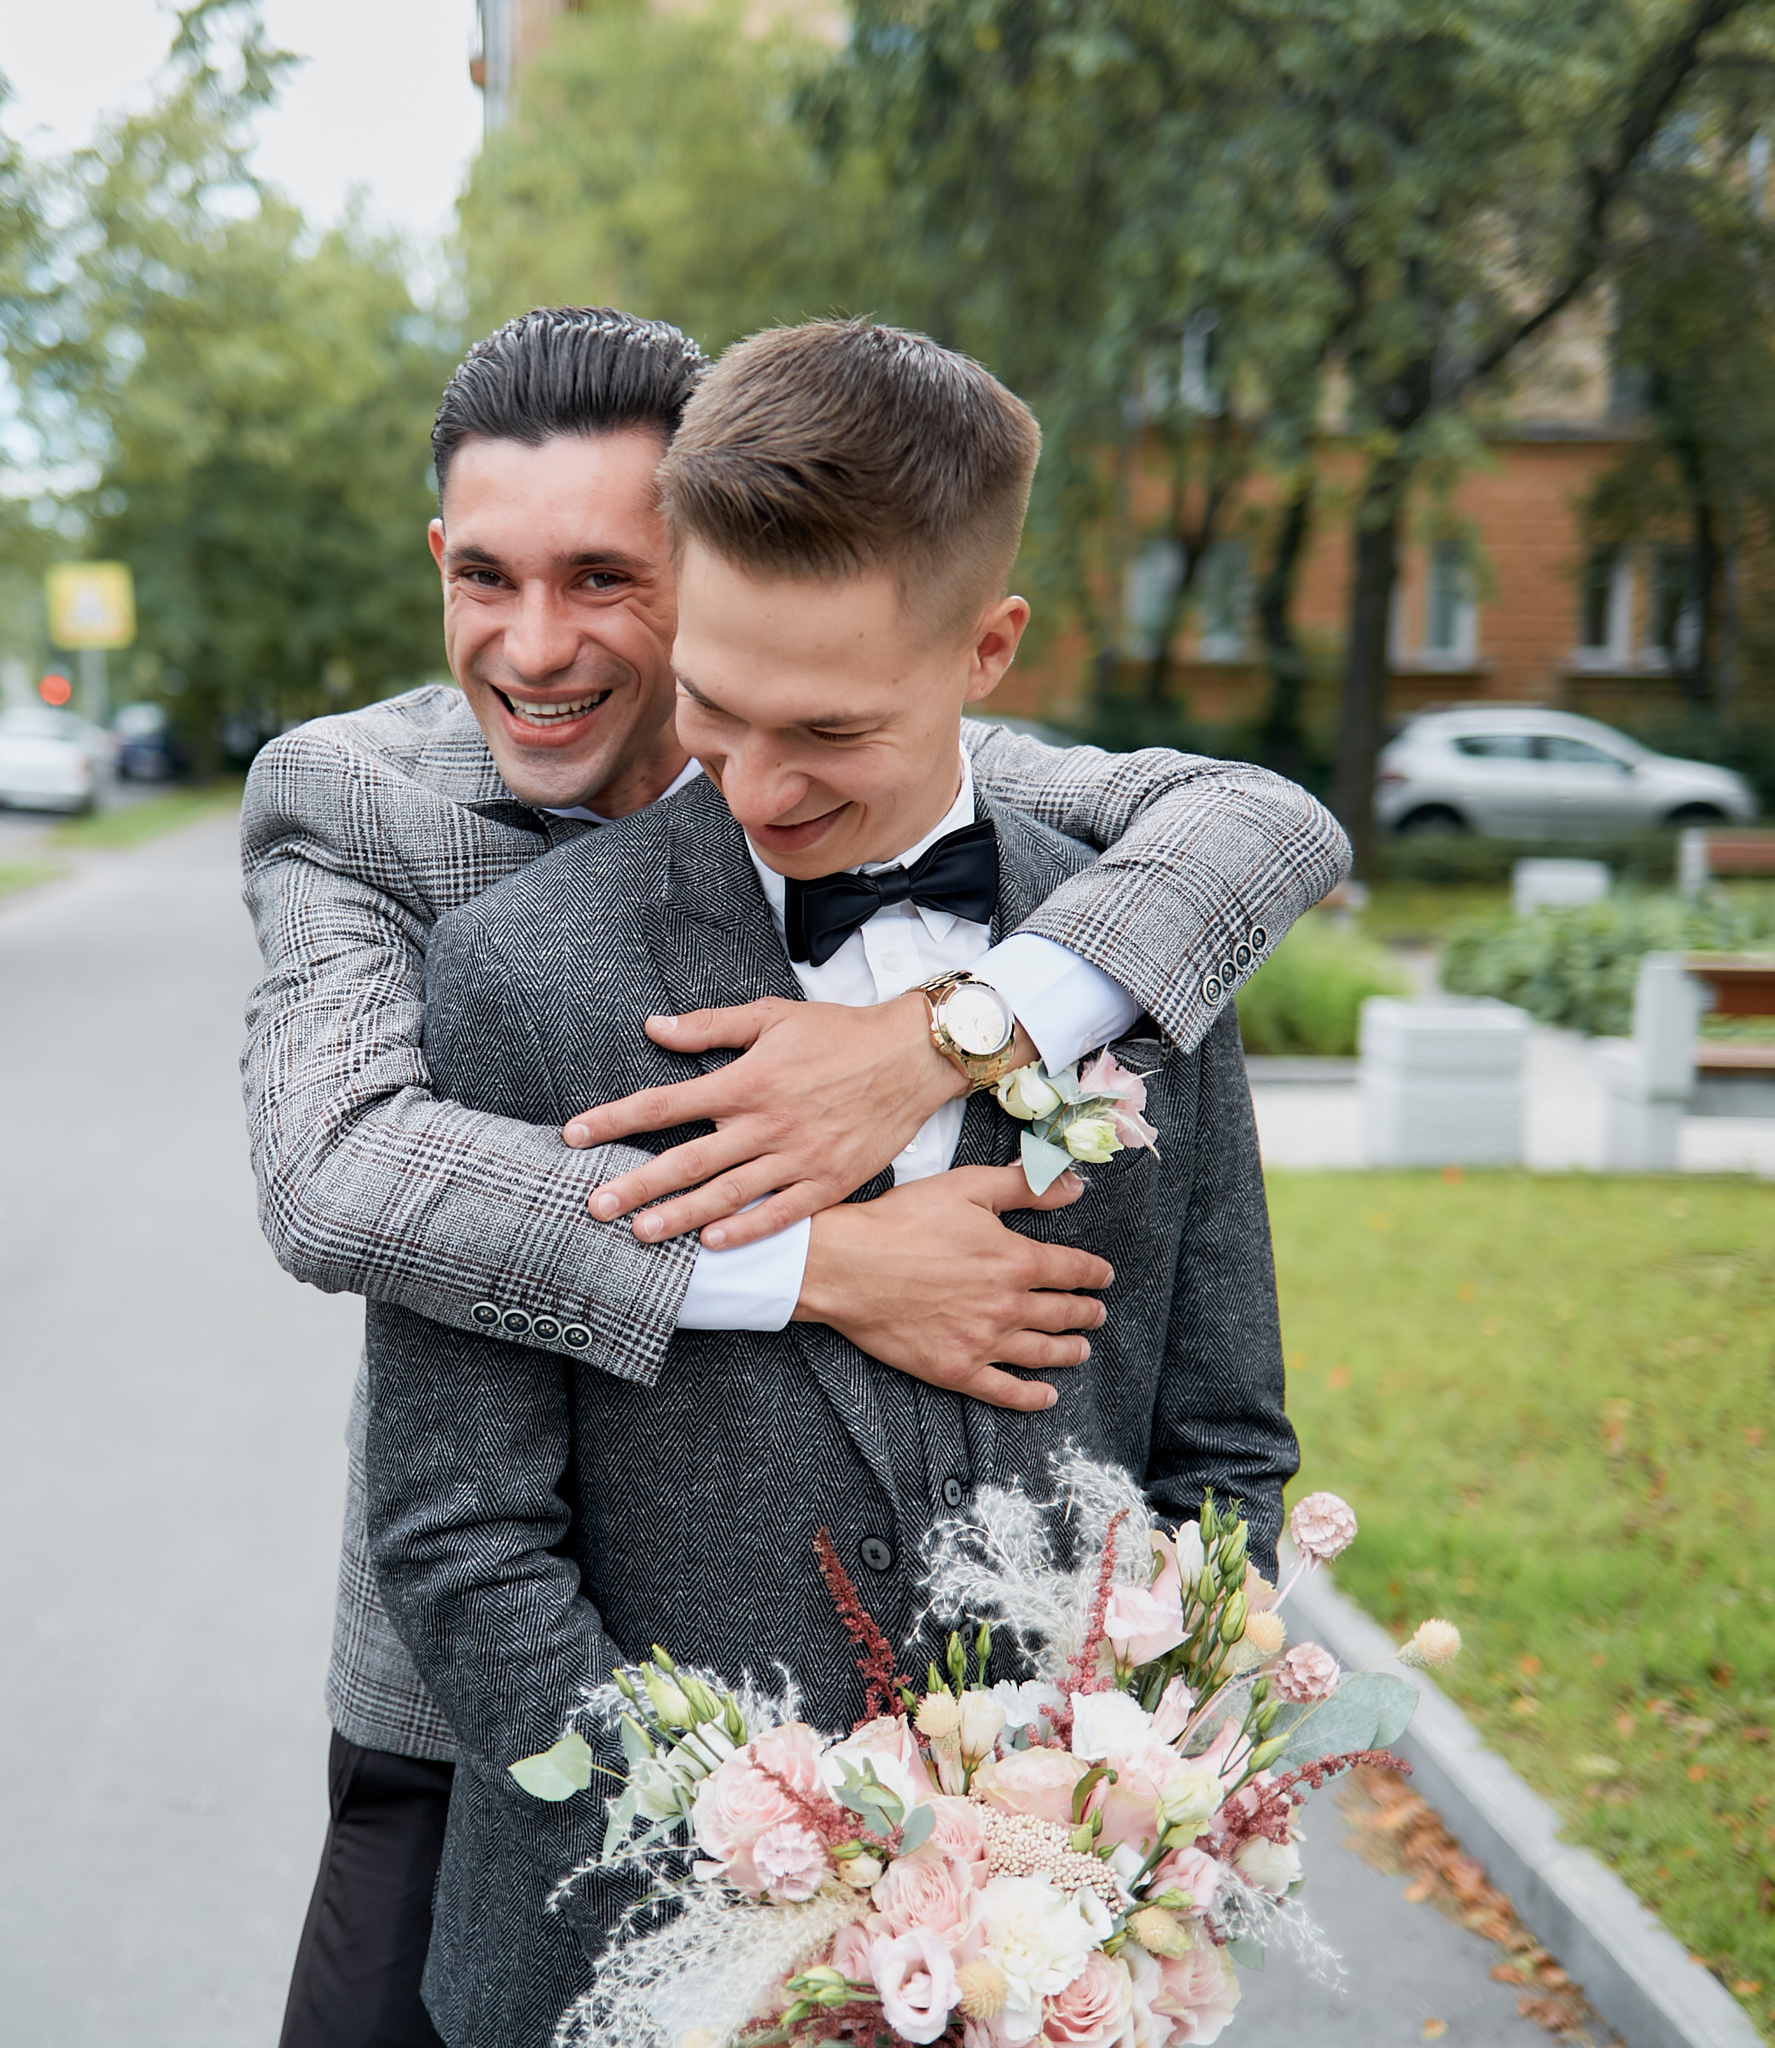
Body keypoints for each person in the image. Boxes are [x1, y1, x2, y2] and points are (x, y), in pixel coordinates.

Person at [242, 310, 1344, 2048]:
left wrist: (955, 1033)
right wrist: (827, 1261)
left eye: (606, 579)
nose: (540, 644)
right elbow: (336, 1177)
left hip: (1035, 1890)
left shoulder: (1091, 912)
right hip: (546, 1784)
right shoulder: (388, 832)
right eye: (488, 577)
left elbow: (1222, 1444)